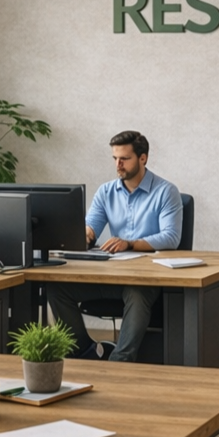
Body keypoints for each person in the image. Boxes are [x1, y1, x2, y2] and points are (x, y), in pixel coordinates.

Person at [50, 130, 183, 362]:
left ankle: (120, 361)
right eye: (115, 158)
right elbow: (91, 226)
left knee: (136, 290)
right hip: (112, 277)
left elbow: (171, 237)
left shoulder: (166, 192)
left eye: (124, 159)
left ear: (143, 158)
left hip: (147, 278)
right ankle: (83, 350)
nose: (118, 164)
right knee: (57, 288)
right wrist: (85, 235)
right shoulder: (106, 191)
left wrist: (129, 243)